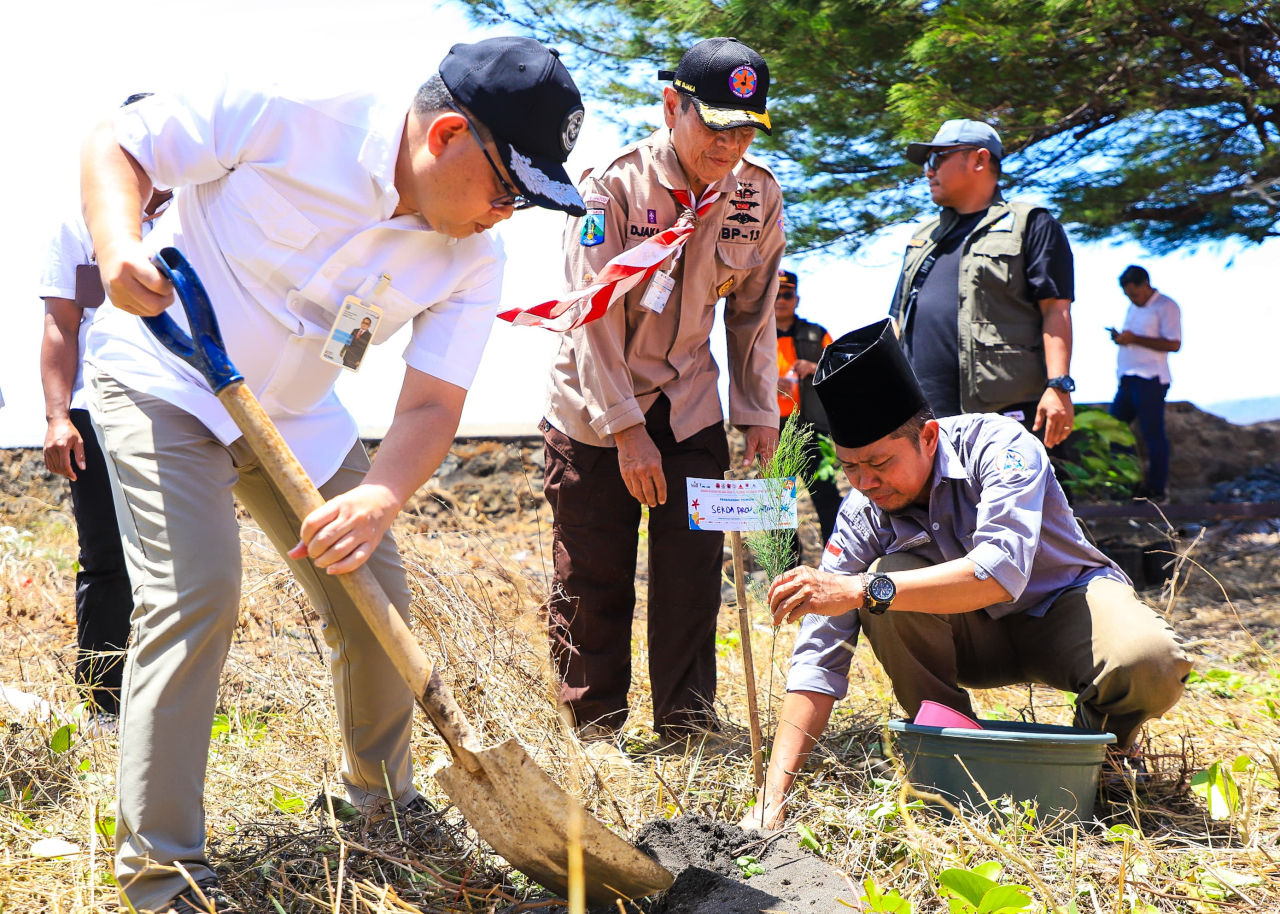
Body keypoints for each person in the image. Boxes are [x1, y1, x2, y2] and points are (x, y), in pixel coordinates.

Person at [80, 38, 586, 914]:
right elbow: (119, 143)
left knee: (374, 599)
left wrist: (379, 496)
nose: (508, 215)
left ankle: (381, 808)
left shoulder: (472, 259)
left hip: (299, 418)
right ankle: (163, 875)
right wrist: (119, 240)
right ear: (450, 135)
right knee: (197, 592)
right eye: (509, 189)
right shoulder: (295, 104)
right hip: (165, 374)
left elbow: (430, 407)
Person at [742, 320, 1191, 830]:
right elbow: (819, 656)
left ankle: (1101, 760)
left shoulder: (1001, 446)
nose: (866, 483)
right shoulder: (861, 512)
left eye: (879, 463)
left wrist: (860, 589)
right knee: (880, 581)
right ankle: (957, 759)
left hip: (1065, 608)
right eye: (850, 467)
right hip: (968, 641)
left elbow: (998, 572)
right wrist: (773, 793)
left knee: (1150, 660)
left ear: (928, 436)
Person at [542, 37, 784, 741]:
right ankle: (595, 732)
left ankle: (688, 730)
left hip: (689, 404)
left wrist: (758, 412)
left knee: (692, 576)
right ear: (672, 105)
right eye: (715, 124)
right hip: (594, 408)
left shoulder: (756, 193)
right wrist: (624, 429)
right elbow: (590, 318)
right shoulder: (611, 186)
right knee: (594, 577)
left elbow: (754, 311)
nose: (730, 143)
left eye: (746, 128)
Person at [39, 94, 172, 728]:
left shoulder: (205, 214)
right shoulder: (75, 223)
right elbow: (62, 326)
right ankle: (105, 708)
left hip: (181, 409)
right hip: (97, 409)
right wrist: (58, 416)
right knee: (105, 558)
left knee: (182, 564)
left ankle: (173, 701)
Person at [890, 120, 1076, 451]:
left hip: (1005, 416)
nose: (927, 172)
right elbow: (897, 323)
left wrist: (1059, 386)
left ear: (979, 160)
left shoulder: (1031, 224)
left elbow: (1056, 310)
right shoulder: (923, 237)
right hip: (926, 421)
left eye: (937, 159)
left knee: (1020, 503)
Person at [774, 268, 841, 566]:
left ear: (796, 298)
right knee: (778, 504)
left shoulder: (816, 334)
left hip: (813, 428)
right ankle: (786, 572)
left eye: (786, 294)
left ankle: (840, 564)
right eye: (775, 294)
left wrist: (814, 368)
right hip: (772, 430)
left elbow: (842, 372)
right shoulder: (754, 335)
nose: (781, 300)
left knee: (827, 498)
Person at [1110, 265, 1181, 501]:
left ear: (1145, 285)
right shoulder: (1134, 307)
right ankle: (1131, 484)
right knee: (1114, 429)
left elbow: (1173, 344)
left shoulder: (1166, 306)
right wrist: (1122, 339)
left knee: (1152, 433)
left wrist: (1134, 339)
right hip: (1128, 377)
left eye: (1135, 294)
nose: (1133, 299)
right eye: (1128, 296)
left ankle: (1157, 488)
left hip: (1151, 377)